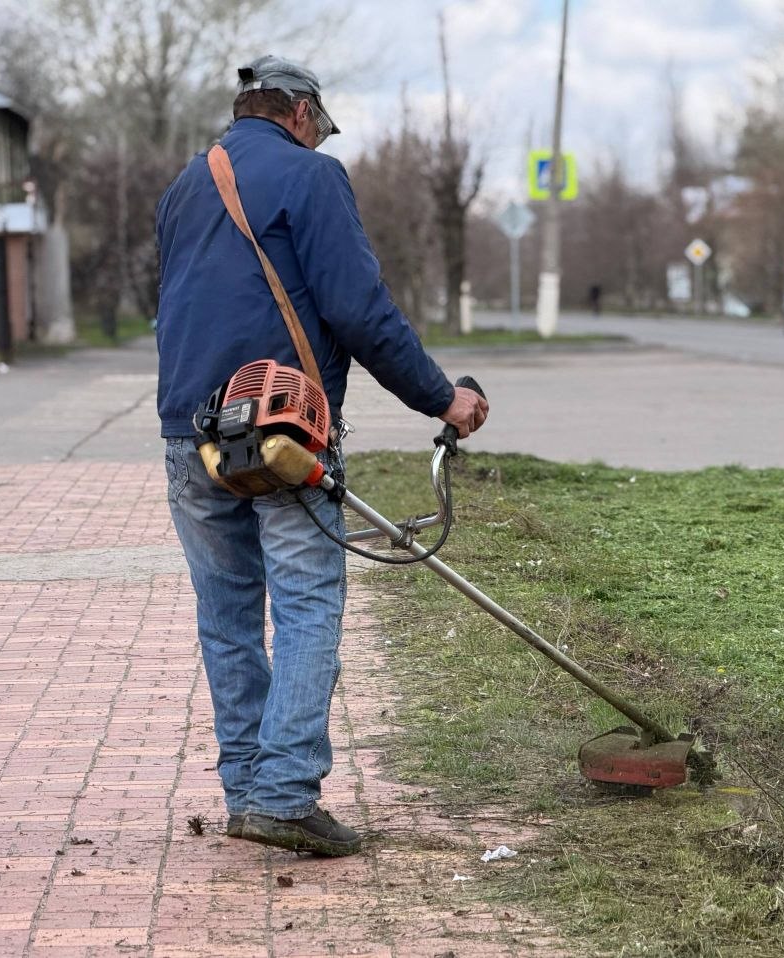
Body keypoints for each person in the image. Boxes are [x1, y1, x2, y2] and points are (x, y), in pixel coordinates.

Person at [155, 55, 488, 857]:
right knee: (307, 604)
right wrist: (443, 399)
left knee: (228, 618)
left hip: (189, 433)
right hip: (281, 433)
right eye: (318, 124)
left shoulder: (182, 187)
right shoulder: (315, 177)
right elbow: (358, 310)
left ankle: (249, 793)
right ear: (301, 114)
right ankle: (283, 796)